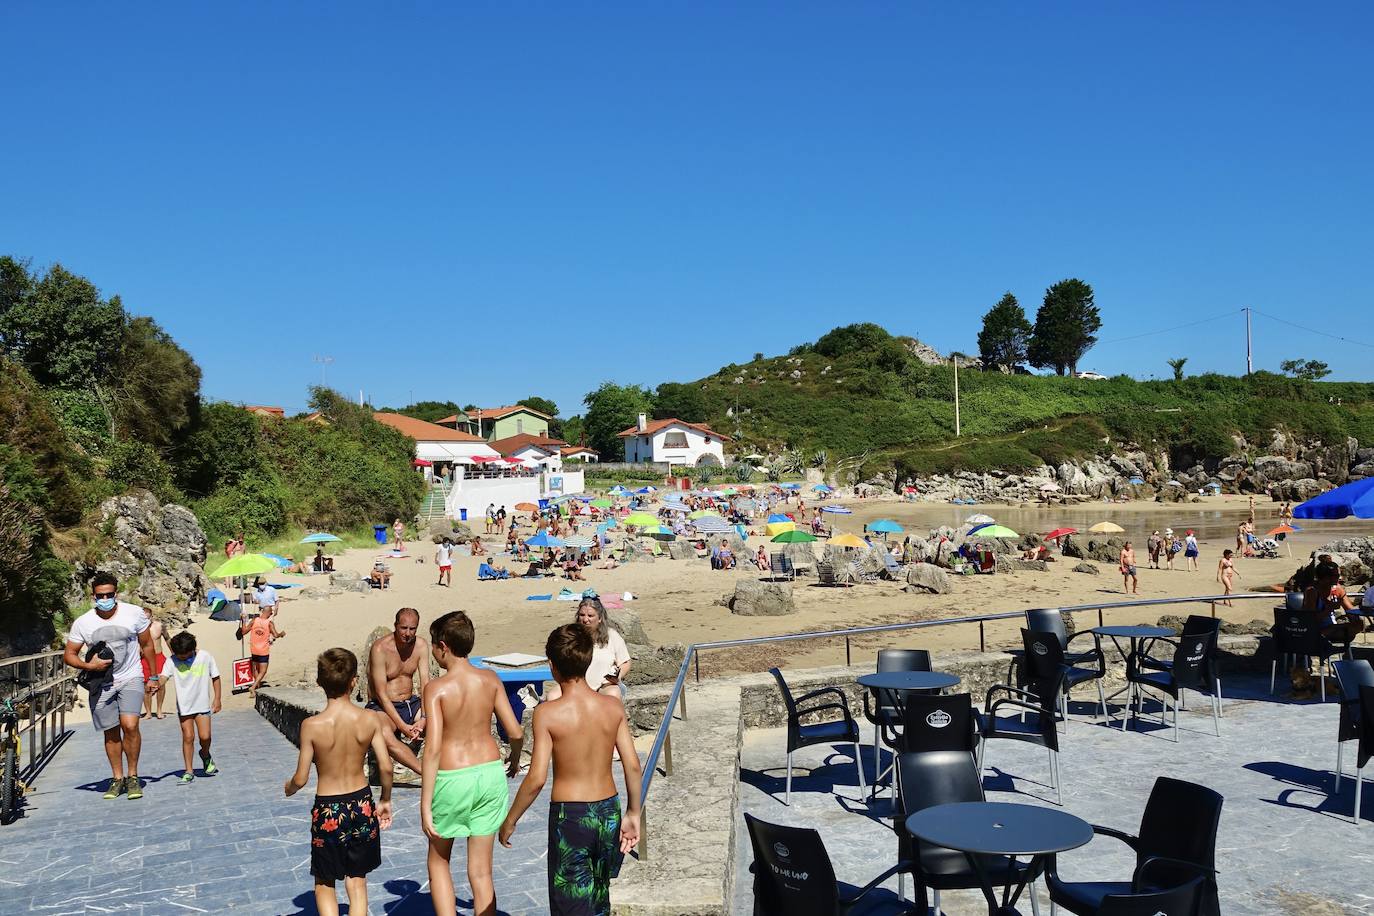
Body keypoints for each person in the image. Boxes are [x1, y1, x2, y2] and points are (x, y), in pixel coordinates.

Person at [500, 624, 642, 916]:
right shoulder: (612, 707)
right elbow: (632, 764)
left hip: (572, 817)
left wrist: (510, 819)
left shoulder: (548, 714)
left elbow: (537, 778)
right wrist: (633, 813)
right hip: (608, 812)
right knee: (599, 901)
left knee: (571, 903)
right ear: (588, 660)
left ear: (552, 666)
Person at [421, 611, 524, 916]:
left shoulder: (436, 689)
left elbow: (433, 750)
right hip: (490, 773)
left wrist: (425, 803)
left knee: (438, 861)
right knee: (481, 872)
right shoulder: (490, 679)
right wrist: (515, 758)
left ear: (443, 646)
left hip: (453, 777)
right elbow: (515, 732)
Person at [285, 649, 394, 916]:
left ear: (320, 682)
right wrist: (385, 800)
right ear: (354, 681)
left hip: (328, 809)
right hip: (361, 803)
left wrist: (289, 788)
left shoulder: (311, 725)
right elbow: (386, 766)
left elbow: (301, 778)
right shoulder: (369, 719)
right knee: (356, 879)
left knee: (324, 880)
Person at [62, 572, 159, 800]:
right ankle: (117, 778)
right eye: (100, 595)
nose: (105, 598)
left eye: (109, 594)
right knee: (111, 732)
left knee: (131, 725)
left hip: (131, 676)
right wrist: (90, 666)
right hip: (102, 682)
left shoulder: (133, 613)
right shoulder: (84, 622)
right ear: (93, 596)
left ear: (116, 593)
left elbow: (147, 645)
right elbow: (69, 654)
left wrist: (153, 676)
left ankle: (133, 775)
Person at [365, 608, 430, 774]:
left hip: (411, 704)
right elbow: (380, 693)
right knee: (383, 734)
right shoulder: (380, 649)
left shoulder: (421, 645)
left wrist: (424, 717)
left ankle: (445, 766)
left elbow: (425, 684)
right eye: (403, 628)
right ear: (395, 626)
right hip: (383, 707)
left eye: (412, 629)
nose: (407, 633)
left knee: (441, 720)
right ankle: (423, 771)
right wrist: (402, 726)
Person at [161, 631, 221, 783]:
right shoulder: (172, 660)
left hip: (202, 704)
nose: (181, 658)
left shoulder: (205, 657)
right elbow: (164, 676)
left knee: (205, 737)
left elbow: (215, 677)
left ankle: (205, 754)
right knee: (188, 737)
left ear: (192, 650)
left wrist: (217, 699)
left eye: (185, 655)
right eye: (179, 655)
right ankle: (189, 770)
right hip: (184, 706)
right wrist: (156, 684)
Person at [544, 600, 633, 703]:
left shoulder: (611, 636)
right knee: (553, 696)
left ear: (599, 618)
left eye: (590, 616)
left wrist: (617, 676)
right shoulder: (571, 637)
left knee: (613, 694)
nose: (585, 619)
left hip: (603, 686)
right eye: (582, 615)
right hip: (573, 684)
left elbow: (625, 662)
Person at [1304, 558, 1364, 643]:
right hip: (1315, 629)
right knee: (1334, 629)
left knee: (1358, 624)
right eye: (1335, 576)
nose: (1338, 578)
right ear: (1323, 578)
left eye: (1338, 575)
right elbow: (1309, 619)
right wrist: (1329, 608)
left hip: (1332, 628)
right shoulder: (1312, 592)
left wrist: (1356, 619)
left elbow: (1351, 610)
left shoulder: (1337, 589)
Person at [239, 604, 285, 695]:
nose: (271, 614)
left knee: (256, 669)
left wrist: (243, 621)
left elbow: (244, 632)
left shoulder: (254, 620)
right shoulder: (269, 623)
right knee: (263, 671)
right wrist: (281, 634)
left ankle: (257, 688)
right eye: (271, 613)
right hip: (263, 650)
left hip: (254, 648)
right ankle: (253, 686)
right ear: (268, 613)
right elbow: (275, 635)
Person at [141, 607, 170, 719]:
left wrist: (174, 654)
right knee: (146, 686)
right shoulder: (136, 629)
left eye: (147, 619)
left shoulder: (159, 626)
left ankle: (159, 710)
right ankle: (148, 712)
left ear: (151, 617)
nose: (145, 621)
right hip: (144, 659)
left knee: (160, 684)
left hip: (158, 657)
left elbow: (168, 639)